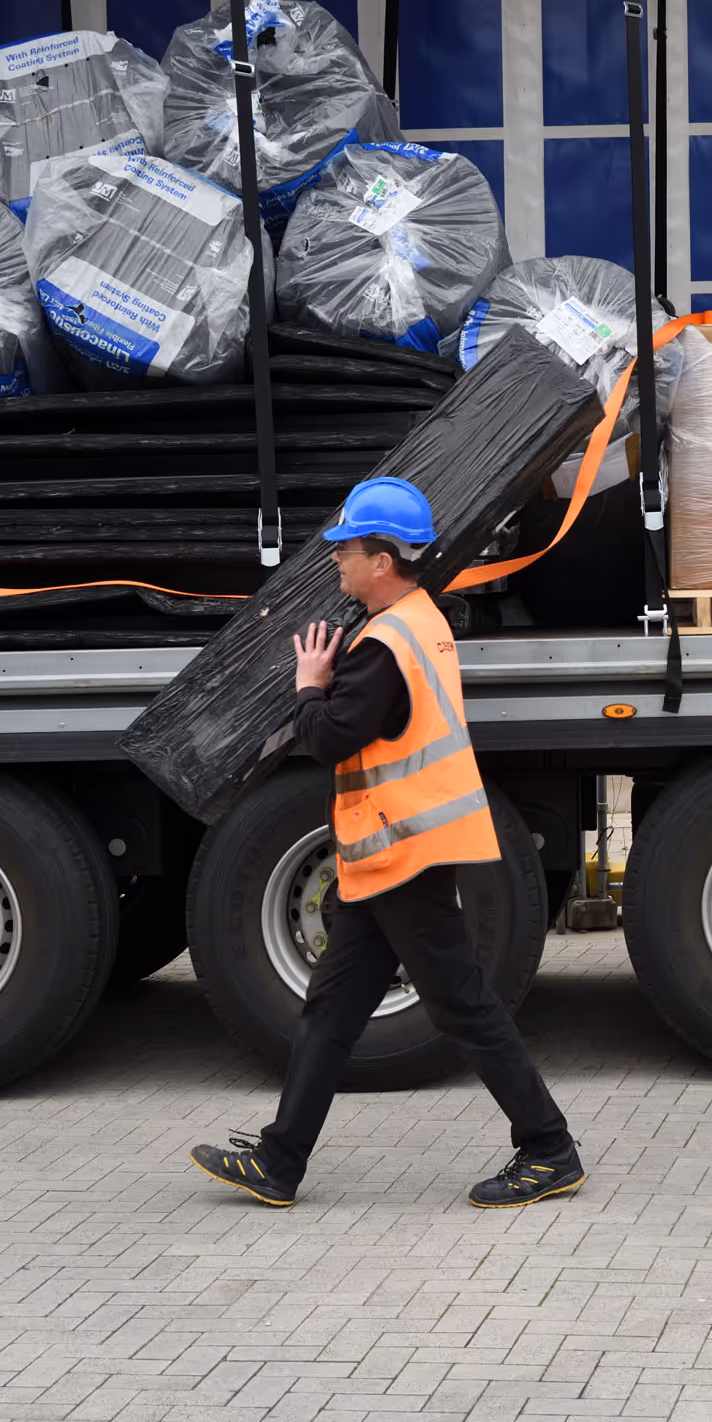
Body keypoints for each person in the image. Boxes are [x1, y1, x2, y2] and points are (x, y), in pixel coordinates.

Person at [190, 477, 586, 1211]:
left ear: (383, 559)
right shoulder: (419, 619)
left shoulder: (382, 643)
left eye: (347, 549)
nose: (336, 560)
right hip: (389, 857)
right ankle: (279, 1162)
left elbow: (331, 737)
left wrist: (310, 684)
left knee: (463, 1006)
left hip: (406, 853)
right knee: (332, 1012)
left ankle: (549, 1147)